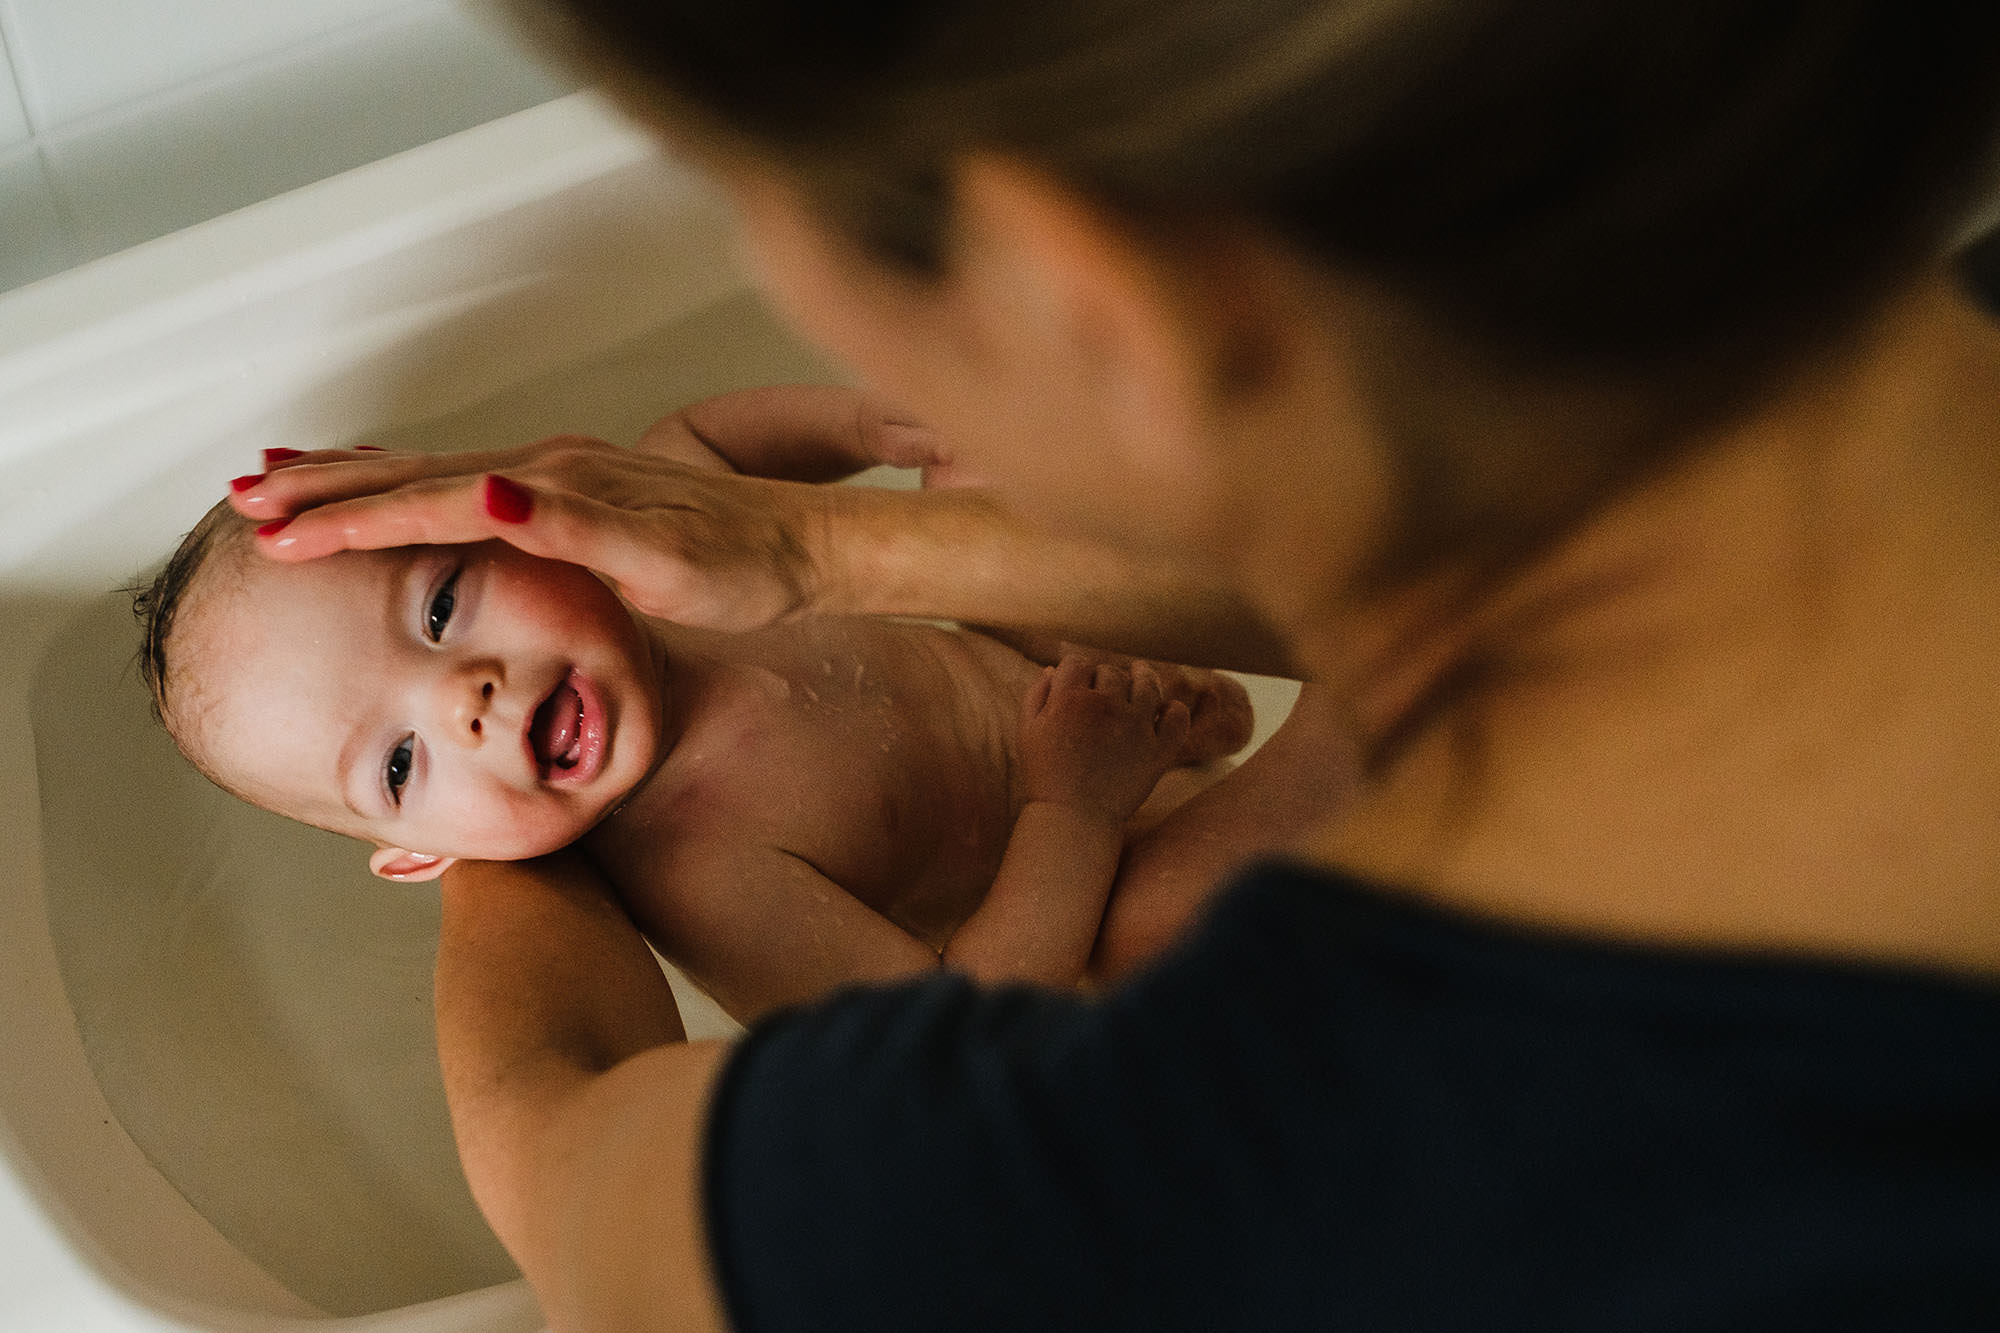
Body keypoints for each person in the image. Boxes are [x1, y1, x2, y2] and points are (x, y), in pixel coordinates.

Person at [223, 1, 2000, 1328]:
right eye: (389, 762)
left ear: (1097, 297)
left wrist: (470, 811)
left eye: (785, 224)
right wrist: (775, 585)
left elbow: (557, 1131)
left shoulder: (1088, 1208)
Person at [140, 410, 1319, 1019]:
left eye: (444, 603)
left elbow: (705, 441)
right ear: (420, 857)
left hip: (1024, 680)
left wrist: (876, 431)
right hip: (1091, 876)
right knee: (1147, 919)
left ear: (496, 522)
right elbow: (964, 1029)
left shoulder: (661, 574)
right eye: (399, 764)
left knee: (976, 474)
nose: (465, 700)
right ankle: (1295, 729)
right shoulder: (706, 864)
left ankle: (1154, 679)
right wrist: (1076, 804)